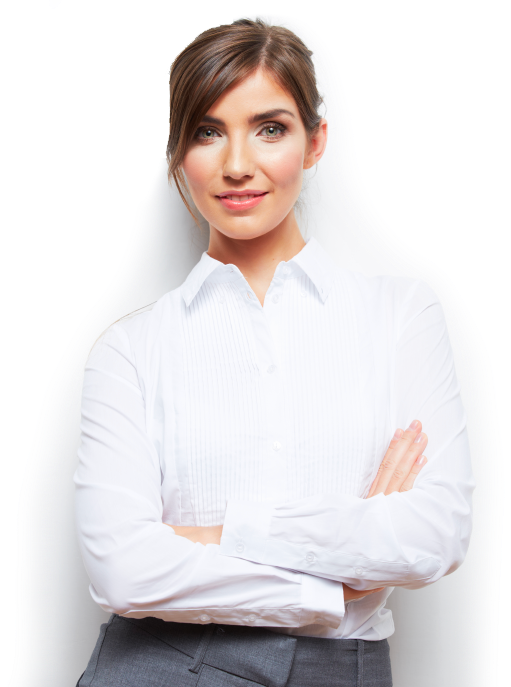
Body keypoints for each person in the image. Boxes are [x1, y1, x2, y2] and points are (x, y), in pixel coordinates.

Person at [73, 16, 475, 687]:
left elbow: (434, 534)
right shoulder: (130, 352)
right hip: (165, 666)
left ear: (315, 142)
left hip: (343, 669)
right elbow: (123, 568)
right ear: (178, 152)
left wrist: (220, 534)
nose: (236, 164)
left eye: (269, 128)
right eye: (207, 132)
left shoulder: (400, 316)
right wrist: (333, 580)